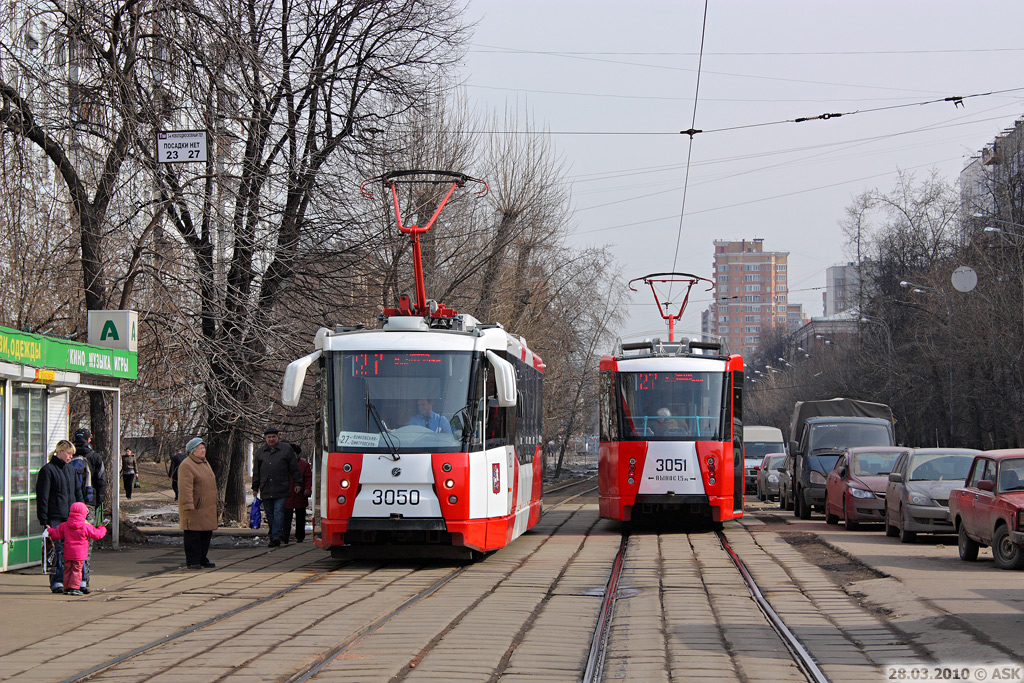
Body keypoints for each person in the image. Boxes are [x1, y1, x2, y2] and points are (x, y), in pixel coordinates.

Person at [35, 439, 84, 594]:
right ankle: (57, 581)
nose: (70, 457)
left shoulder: (71, 470)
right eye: (69, 453)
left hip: (72, 518)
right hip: (55, 517)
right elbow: (43, 496)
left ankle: (72, 582)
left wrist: (82, 511)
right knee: (57, 551)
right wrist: (44, 520)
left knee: (71, 551)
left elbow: (78, 492)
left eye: (72, 454)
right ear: (60, 452)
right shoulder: (48, 470)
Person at [252, 427, 302, 548]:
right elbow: (256, 472)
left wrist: (297, 483)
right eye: (269, 437)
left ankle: (275, 537)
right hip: (266, 488)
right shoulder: (260, 452)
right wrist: (255, 487)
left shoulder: (286, 449)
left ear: (277, 437)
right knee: (269, 514)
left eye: (273, 437)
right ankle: (275, 534)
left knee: (278, 512)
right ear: (265, 438)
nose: (271, 439)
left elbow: (294, 467)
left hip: (281, 487)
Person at [47, 502, 107, 595]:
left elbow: (56, 534)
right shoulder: (85, 526)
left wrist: (49, 530)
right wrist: (102, 527)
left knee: (67, 569)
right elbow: (97, 535)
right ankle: (74, 587)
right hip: (79, 554)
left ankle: (66, 587)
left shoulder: (65, 525)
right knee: (76, 570)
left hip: (68, 552)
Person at [178, 437, 218, 569]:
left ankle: (202, 558)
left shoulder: (205, 463)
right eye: (200, 448)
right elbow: (185, 487)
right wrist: (188, 504)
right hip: (195, 507)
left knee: (205, 534)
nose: (203, 450)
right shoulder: (187, 465)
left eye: (203, 448)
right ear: (192, 451)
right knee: (193, 535)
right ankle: (193, 560)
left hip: (207, 507)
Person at [283, 444, 313, 543]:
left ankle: (300, 536)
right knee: (286, 517)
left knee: (300, 517)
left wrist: (308, 489)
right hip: (287, 494)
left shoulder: (304, 465)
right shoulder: (283, 464)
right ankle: (285, 536)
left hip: (300, 495)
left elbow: (308, 478)